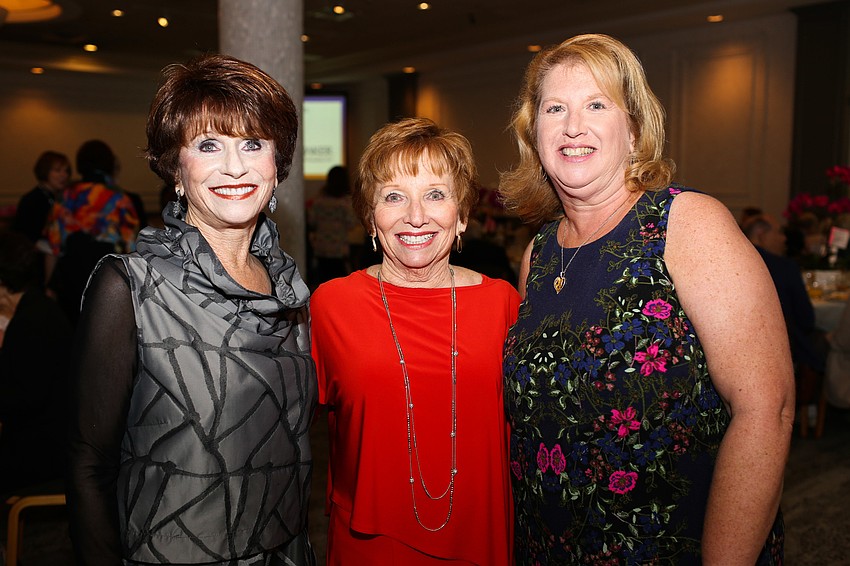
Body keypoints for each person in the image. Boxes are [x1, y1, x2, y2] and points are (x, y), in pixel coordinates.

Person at [498, 34, 794, 565]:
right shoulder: (538, 253)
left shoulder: (685, 224)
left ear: (634, 130)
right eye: (554, 108)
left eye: (596, 104)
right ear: (533, 132)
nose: (572, 125)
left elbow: (766, 410)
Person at [66, 54, 317, 566]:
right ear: (176, 169)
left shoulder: (290, 291)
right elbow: (88, 463)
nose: (235, 166)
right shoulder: (130, 287)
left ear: (278, 163)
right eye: (208, 146)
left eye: (253, 144)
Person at [310, 117, 519, 565]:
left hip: (478, 536)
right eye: (393, 197)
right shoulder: (331, 306)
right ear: (370, 216)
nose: (416, 216)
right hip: (369, 545)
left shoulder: (504, 304)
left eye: (436, 194)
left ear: (463, 215)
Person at [0, 230, 73, 495]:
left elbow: (25, 398)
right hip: (42, 438)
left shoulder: (34, 321)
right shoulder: (33, 308)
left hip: (42, 451)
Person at [44, 139, 140, 325]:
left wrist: (48, 285)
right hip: (106, 277)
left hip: (70, 276)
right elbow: (131, 248)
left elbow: (53, 246)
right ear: (110, 163)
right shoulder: (119, 198)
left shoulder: (66, 196)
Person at [743, 213, 826, 373]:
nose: (784, 239)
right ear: (761, 234)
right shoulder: (785, 267)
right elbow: (806, 320)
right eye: (779, 232)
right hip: (785, 356)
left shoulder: (727, 265)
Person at [307, 165, 357, 287]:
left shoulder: (319, 200)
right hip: (339, 249)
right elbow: (351, 223)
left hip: (322, 249)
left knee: (323, 283)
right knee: (340, 285)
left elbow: (311, 221)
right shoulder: (345, 202)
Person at [12, 150, 71, 243]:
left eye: (66, 171)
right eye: (58, 170)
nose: (64, 175)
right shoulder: (32, 200)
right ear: (45, 171)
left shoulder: (61, 197)